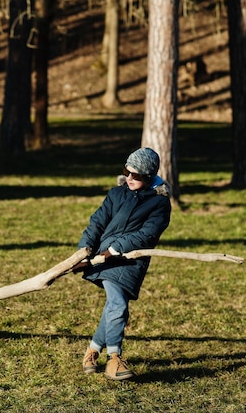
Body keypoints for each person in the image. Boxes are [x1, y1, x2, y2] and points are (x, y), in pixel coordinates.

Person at [75, 147, 171, 380]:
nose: (129, 178)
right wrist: (83, 250)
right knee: (118, 305)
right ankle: (114, 358)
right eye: (127, 172)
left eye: (135, 176)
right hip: (104, 260)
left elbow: (148, 234)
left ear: (148, 177)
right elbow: (97, 222)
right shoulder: (116, 194)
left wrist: (116, 249)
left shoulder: (160, 204)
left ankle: (93, 350)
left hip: (131, 262)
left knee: (113, 307)